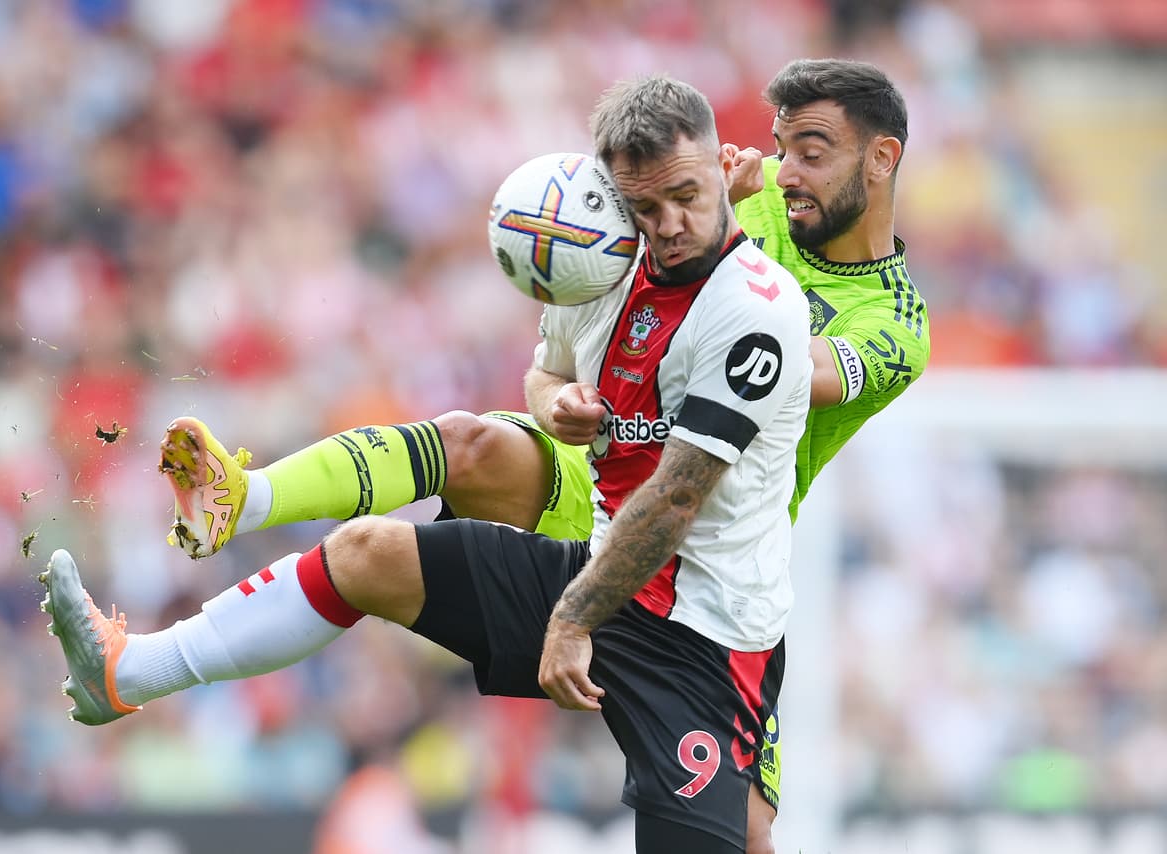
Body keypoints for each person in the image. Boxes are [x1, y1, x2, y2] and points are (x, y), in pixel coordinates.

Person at [155, 58, 924, 854]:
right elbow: (583, 299)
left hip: (701, 549)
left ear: (881, 159)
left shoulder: (894, 323)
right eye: (781, 147)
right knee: (469, 442)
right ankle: (243, 499)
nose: (787, 170)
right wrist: (554, 394)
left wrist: (719, 241)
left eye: (812, 151)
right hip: (601, 467)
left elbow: (784, 367)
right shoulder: (720, 197)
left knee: (749, 836)